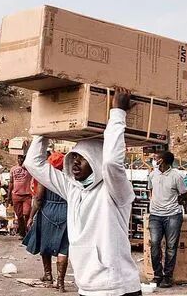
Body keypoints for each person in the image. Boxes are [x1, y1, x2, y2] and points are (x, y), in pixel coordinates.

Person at [24, 88, 142, 296]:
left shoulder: (114, 190)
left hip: (117, 288)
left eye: (82, 157)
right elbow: (33, 164)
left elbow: (112, 163)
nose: (75, 162)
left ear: (96, 160)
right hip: (86, 287)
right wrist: (44, 127)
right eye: (73, 157)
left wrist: (117, 113)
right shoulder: (72, 188)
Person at [23, 152, 69, 292]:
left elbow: (38, 199)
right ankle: (60, 282)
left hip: (47, 211)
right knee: (64, 248)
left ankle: (48, 275)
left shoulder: (45, 179)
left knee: (45, 243)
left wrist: (31, 216)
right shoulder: (68, 178)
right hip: (66, 212)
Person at [148, 150, 187, 288]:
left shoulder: (176, 176)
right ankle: (157, 275)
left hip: (173, 215)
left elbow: (186, 194)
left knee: (171, 247)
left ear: (164, 161)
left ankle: (167, 277)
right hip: (155, 215)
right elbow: (151, 191)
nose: (154, 160)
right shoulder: (152, 174)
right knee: (155, 244)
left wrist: (178, 203)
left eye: (157, 158)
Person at [7, 154, 33, 238]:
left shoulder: (29, 168)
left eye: (22, 158)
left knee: (27, 214)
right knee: (19, 215)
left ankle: (27, 231)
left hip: (27, 195)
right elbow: (11, 183)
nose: (20, 160)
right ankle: (22, 233)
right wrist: (9, 196)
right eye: (19, 158)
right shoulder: (13, 169)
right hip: (16, 195)